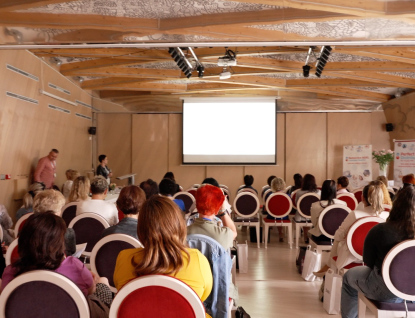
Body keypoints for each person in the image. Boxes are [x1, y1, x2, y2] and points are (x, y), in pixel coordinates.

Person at [0, 212, 112, 314]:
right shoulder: (75, 266)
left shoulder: (10, 271)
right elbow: (91, 290)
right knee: (103, 282)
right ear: (59, 243)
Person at [113, 196, 213, 304]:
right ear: (179, 225)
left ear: (141, 230)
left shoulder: (124, 258)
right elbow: (201, 298)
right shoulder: (197, 260)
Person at [341, 186, 415, 318]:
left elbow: (368, 262)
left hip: (385, 290)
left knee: (348, 278)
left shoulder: (380, 229)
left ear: (395, 204)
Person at [318, 180, 390, 274]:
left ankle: (329, 266)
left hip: (353, 258)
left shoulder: (355, 215)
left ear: (362, 198)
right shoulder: (387, 216)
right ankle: (328, 266)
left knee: (338, 238)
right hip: (377, 259)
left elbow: (338, 235)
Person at [187, 184, 237, 250]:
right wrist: (223, 211)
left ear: (196, 205)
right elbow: (234, 232)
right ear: (217, 210)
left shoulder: (183, 232)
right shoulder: (223, 235)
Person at [33, 189, 76, 256]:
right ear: (56, 212)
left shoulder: (26, 230)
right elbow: (69, 256)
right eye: (60, 209)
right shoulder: (66, 233)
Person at [309, 179, 347, 244]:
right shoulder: (343, 204)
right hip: (338, 236)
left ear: (322, 190)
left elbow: (314, 222)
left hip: (321, 236)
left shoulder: (315, 205)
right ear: (335, 190)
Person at [265, 177, 289, 242]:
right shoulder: (288, 196)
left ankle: (267, 237)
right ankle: (281, 233)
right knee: (280, 213)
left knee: (275, 212)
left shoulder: (269, 196)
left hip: (272, 217)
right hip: (284, 217)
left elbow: (267, 208)